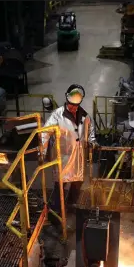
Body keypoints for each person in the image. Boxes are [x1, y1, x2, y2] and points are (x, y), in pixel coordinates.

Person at [42, 84, 99, 212]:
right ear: (67, 100)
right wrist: (42, 151)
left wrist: (93, 142)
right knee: (60, 185)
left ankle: (72, 205)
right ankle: (58, 210)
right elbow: (44, 133)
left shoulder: (85, 116)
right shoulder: (57, 115)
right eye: (71, 105)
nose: (73, 108)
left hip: (78, 159)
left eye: (76, 106)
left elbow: (90, 133)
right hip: (62, 159)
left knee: (77, 184)